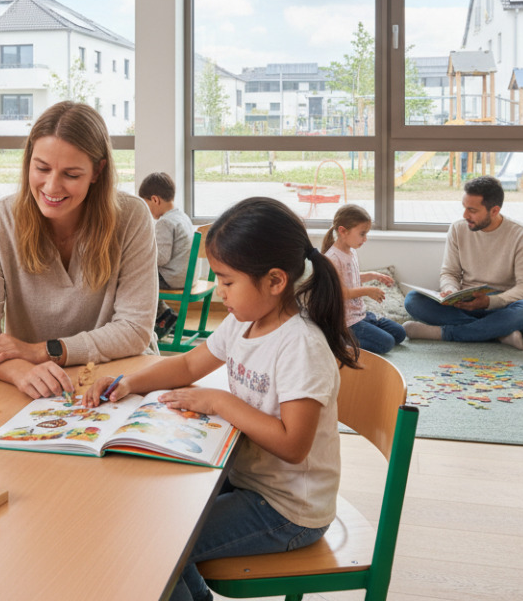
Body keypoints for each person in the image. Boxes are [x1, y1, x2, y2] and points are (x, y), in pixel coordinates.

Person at [82, 197, 357, 601]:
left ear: (276, 281)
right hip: (248, 481)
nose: (219, 291)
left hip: (288, 511)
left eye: (227, 281)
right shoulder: (245, 322)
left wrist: (219, 401)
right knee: (154, 514)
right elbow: (191, 364)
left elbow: (294, 446)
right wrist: (131, 382)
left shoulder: (300, 345)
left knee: (156, 546)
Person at [0, 101, 158, 399]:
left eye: (71, 175)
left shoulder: (132, 216)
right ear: (28, 162)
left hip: (120, 379)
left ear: (97, 171)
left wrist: (42, 352)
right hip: (38, 386)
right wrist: (18, 369)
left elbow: (134, 329)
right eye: (42, 168)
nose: (51, 187)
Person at [402, 175, 523, 349]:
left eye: (472, 210)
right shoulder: (458, 228)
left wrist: (491, 302)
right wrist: (450, 290)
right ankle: (499, 333)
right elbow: (450, 273)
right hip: (463, 303)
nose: (465, 215)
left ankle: (444, 333)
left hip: (501, 306)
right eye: (464, 207)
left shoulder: (521, 235)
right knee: (413, 300)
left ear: (494, 211)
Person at [321, 203, 405, 355]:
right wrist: (367, 291)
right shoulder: (332, 258)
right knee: (387, 343)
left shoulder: (351, 252)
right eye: (362, 234)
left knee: (400, 333)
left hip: (361, 314)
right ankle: (338, 339)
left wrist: (374, 276)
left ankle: (358, 331)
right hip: (345, 322)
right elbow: (341, 292)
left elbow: (351, 278)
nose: (365, 239)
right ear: (343, 231)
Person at [138, 170, 195, 336]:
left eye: (146, 204)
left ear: (155, 200)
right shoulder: (181, 216)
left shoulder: (165, 222)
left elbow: (161, 258)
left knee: (133, 274)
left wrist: (141, 252)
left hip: (173, 278)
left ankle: (161, 315)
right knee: (143, 275)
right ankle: (164, 313)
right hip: (186, 276)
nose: (148, 210)